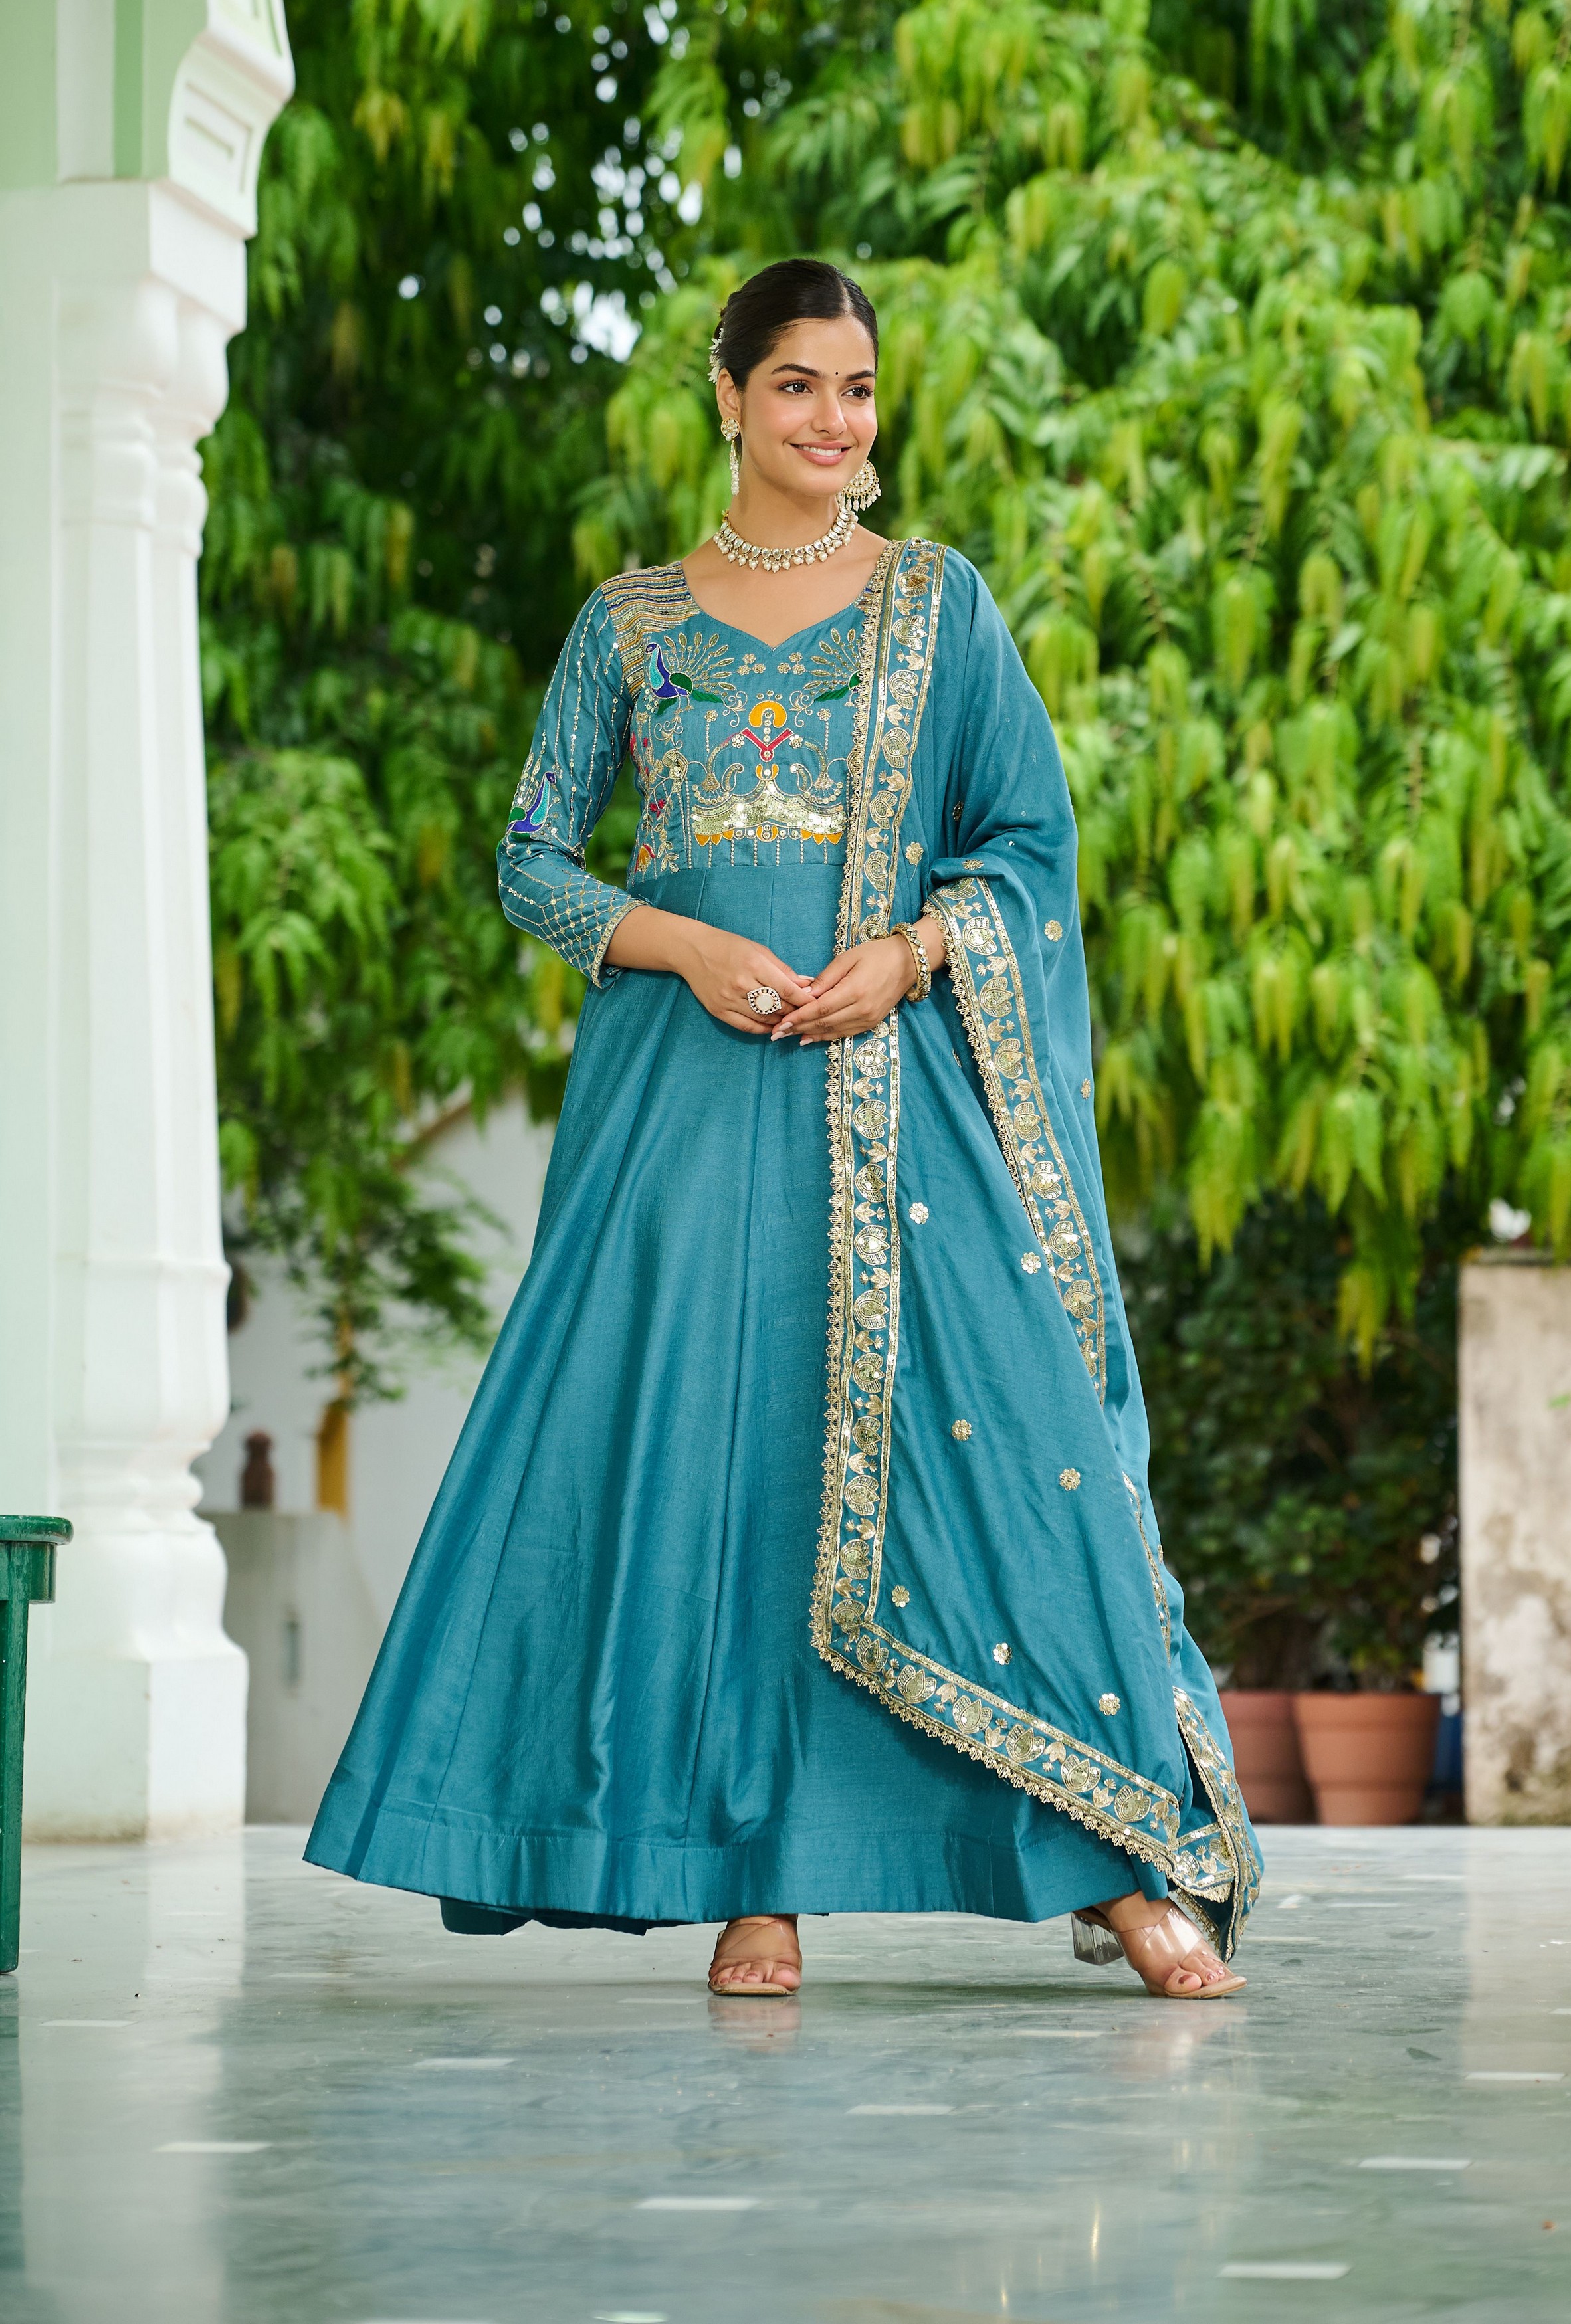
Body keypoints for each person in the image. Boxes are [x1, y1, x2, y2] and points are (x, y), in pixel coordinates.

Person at [306, 258, 1259, 1999]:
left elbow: (1026, 846)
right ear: (730, 394)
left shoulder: (937, 607)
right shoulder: (628, 626)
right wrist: (680, 943)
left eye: (858, 388)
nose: (835, 419)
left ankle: (1118, 1853)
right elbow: (531, 858)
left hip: (894, 1092)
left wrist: (909, 953)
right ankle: (758, 1883)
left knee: (1016, 1446)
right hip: (683, 1103)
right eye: (800, 383)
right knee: (725, 1466)